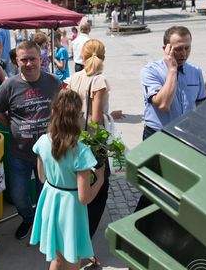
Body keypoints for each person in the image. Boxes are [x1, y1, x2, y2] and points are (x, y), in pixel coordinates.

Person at [0, 41, 61, 241]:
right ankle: (28, 218)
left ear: (41, 59)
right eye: (24, 59)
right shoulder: (8, 86)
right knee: (19, 196)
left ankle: (42, 224)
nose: (29, 63)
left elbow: (60, 109)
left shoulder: (53, 82)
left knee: (45, 195)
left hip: (47, 154)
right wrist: (13, 126)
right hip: (19, 154)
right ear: (16, 61)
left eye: (33, 59)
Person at [29, 89, 105, 270]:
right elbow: (84, 198)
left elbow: (41, 177)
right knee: (73, 261)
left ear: (53, 113)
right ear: (78, 116)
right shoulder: (81, 151)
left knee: (57, 258)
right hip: (71, 210)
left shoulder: (42, 141)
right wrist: (100, 179)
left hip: (50, 201)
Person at [68, 39, 124, 267]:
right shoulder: (99, 80)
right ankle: (84, 244)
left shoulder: (72, 78)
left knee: (79, 190)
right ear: (103, 56)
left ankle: (76, 236)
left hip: (74, 139)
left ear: (82, 55)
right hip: (93, 144)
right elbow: (96, 119)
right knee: (98, 190)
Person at [141, 26, 206, 140]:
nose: (184, 54)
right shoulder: (150, 71)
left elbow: (201, 105)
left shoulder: (196, 71)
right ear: (166, 49)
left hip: (187, 134)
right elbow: (162, 104)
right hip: (158, 135)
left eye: (187, 48)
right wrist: (172, 69)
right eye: (178, 49)